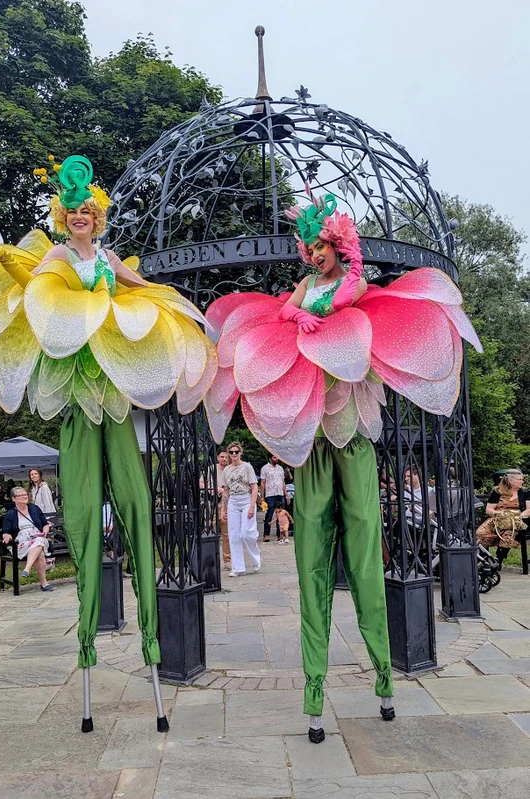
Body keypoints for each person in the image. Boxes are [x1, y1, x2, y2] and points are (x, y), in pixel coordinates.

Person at [204, 188, 482, 742]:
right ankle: (313, 684)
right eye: (306, 249)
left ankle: (383, 674)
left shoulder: (350, 282)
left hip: (351, 432)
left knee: (362, 551)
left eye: (319, 247)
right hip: (311, 443)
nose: (311, 256)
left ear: (337, 246)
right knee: (310, 555)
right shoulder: (307, 284)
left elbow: (346, 304)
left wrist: (316, 316)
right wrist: (297, 319)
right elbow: (288, 310)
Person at [0, 153, 217, 689]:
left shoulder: (107, 257)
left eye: (87, 209)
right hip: (75, 379)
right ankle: (88, 632)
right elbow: (38, 293)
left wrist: (171, 304)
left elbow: (137, 285)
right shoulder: (59, 257)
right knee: (87, 501)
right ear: (62, 217)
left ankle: (150, 630)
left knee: (133, 491)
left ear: (99, 215)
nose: (80, 216)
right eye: (72, 210)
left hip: (109, 378)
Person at [220, 442, 261, 577]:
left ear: (240, 453)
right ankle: (238, 567)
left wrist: (252, 506)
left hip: (246, 499)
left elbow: (254, 487)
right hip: (233, 500)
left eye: (236, 452)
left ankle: (256, 558)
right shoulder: (227, 470)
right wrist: (223, 509)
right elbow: (226, 490)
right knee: (234, 535)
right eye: (231, 452)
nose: (234, 455)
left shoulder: (247, 467)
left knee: (245, 533)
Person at [1, 486, 53, 591]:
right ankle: (44, 583)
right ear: (14, 498)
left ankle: (27, 569)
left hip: (38, 537)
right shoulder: (10, 514)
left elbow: (45, 524)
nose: (23, 497)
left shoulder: (34, 508)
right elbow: (5, 532)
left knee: (39, 541)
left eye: (25, 495)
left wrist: (45, 532)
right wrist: (7, 536)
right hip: (21, 543)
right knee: (40, 553)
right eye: (20, 495)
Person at [476, 469, 530, 566]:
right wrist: (499, 514)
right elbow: (489, 510)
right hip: (497, 519)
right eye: (519, 479)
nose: (522, 481)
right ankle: (483, 559)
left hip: (515, 521)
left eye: (522, 479)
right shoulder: (498, 492)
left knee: (508, 533)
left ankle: (498, 560)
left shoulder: (525, 493)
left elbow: (528, 510)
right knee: (481, 532)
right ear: (510, 481)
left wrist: (516, 516)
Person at [260, 454, 288, 542]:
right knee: (269, 514)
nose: (276, 459)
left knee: (281, 515)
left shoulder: (280, 468)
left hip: (280, 493)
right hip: (270, 494)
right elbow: (263, 483)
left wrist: (286, 494)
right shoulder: (265, 468)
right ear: (270, 458)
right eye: (274, 457)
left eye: (277, 457)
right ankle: (266, 534)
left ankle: (280, 534)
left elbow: (283, 482)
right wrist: (262, 497)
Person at [216, 450, 231, 570]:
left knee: (226, 534)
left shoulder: (231, 470)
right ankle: (211, 558)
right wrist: (214, 488)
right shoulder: (212, 469)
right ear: (217, 458)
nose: (224, 459)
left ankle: (227, 560)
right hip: (212, 504)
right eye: (222, 457)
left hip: (226, 505)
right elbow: (201, 483)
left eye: (226, 457)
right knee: (209, 532)